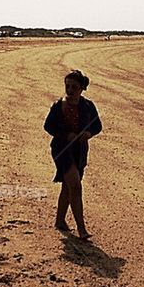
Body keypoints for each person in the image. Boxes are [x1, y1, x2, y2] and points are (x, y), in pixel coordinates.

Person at [44, 69, 103, 240]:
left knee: (68, 186)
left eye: (74, 87)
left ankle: (60, 221)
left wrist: (89, 134)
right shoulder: (58, 105)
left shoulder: (88, 106)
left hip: (79, 151)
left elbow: (97, 125)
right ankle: (82, 229)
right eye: (67, 86)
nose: (69, 90)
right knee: (76, 187)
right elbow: (48, 126)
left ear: (82, 88)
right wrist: (65, 134)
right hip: (61, 150)